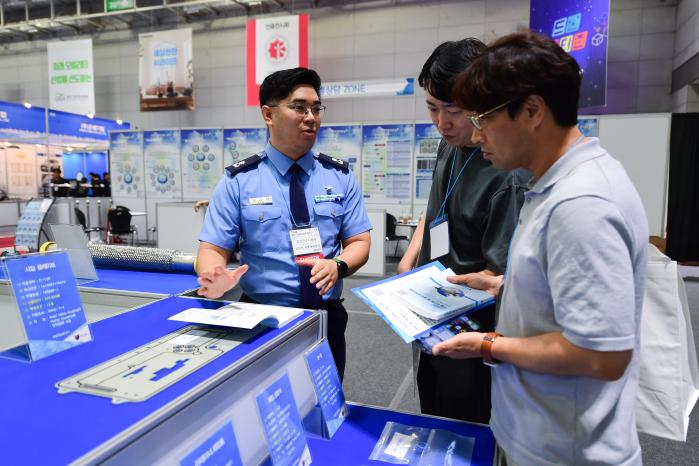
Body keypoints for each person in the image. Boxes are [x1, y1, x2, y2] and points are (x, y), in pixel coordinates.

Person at [433, 31, 648, 466]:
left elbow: (602, 354)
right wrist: (503, 284)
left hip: (567, 450)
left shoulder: (581, 204)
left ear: (532, 111)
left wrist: (489, 345)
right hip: (543, 433)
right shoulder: (558, 184)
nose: (477, 137)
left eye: (484, 119)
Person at [196, 67, 371, 379]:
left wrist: (338, 266)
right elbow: (212, 249)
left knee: (326, 406)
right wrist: (214, 276)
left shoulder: (339, 176)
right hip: (261, 318)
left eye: (316, 109)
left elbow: (359, 242)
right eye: (299, 107)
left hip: (325, 317)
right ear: (268, 114)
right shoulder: (238, 181)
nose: (311, 117)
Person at [398, 38, 528, 424]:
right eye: (433, 109)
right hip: (433, 318)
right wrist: (409, 258)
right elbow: (436, 210)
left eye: (453, 110)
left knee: (464, 431)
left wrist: (436, 294)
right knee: (432, 418)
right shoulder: (448, 144)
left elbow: (500, 277)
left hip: (473, 337)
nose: (442, 123)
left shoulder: (505, 170)